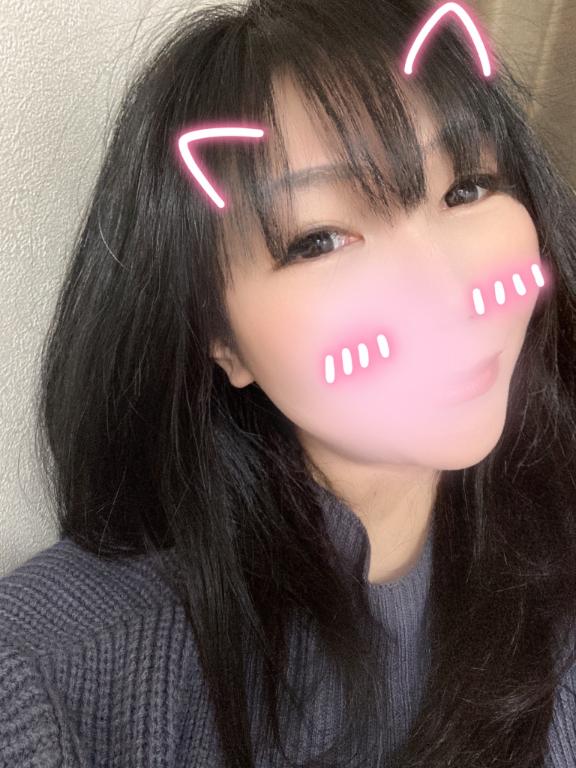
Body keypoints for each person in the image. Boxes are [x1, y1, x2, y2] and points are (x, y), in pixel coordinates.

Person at [0, 0, 574, 765]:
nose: (446, 287)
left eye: (466, 188)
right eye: (320, 239)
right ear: (219, 337)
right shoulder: (46, 678)